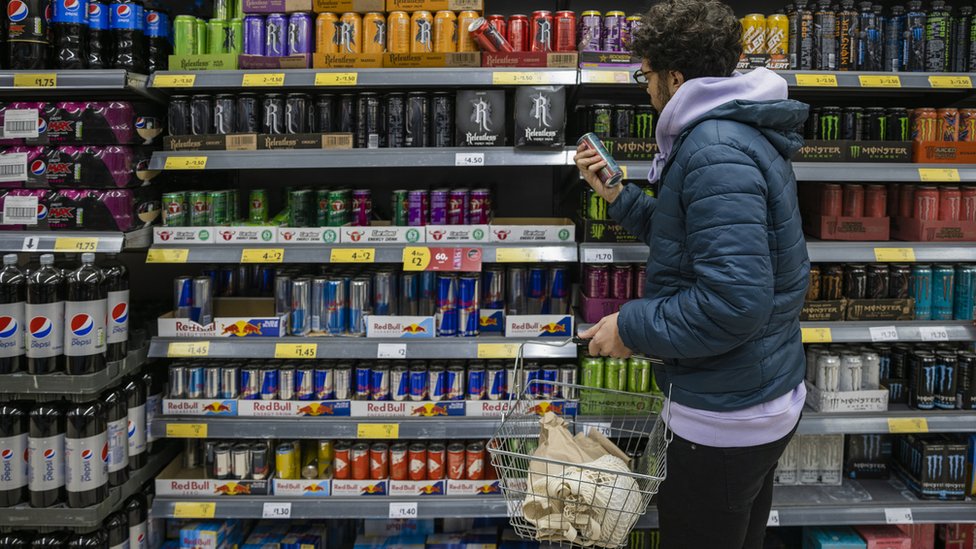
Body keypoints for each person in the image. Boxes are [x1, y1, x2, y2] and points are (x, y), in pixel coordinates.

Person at [575, 0, 811, 548]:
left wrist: (629, 328)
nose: (645, 87)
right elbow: (698, 239)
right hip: (752, 394)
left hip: (729, 417)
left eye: (647, 74)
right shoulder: (728, 134)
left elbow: (733, 302)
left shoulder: (713, 149)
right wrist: (620, 196)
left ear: (674, 77)